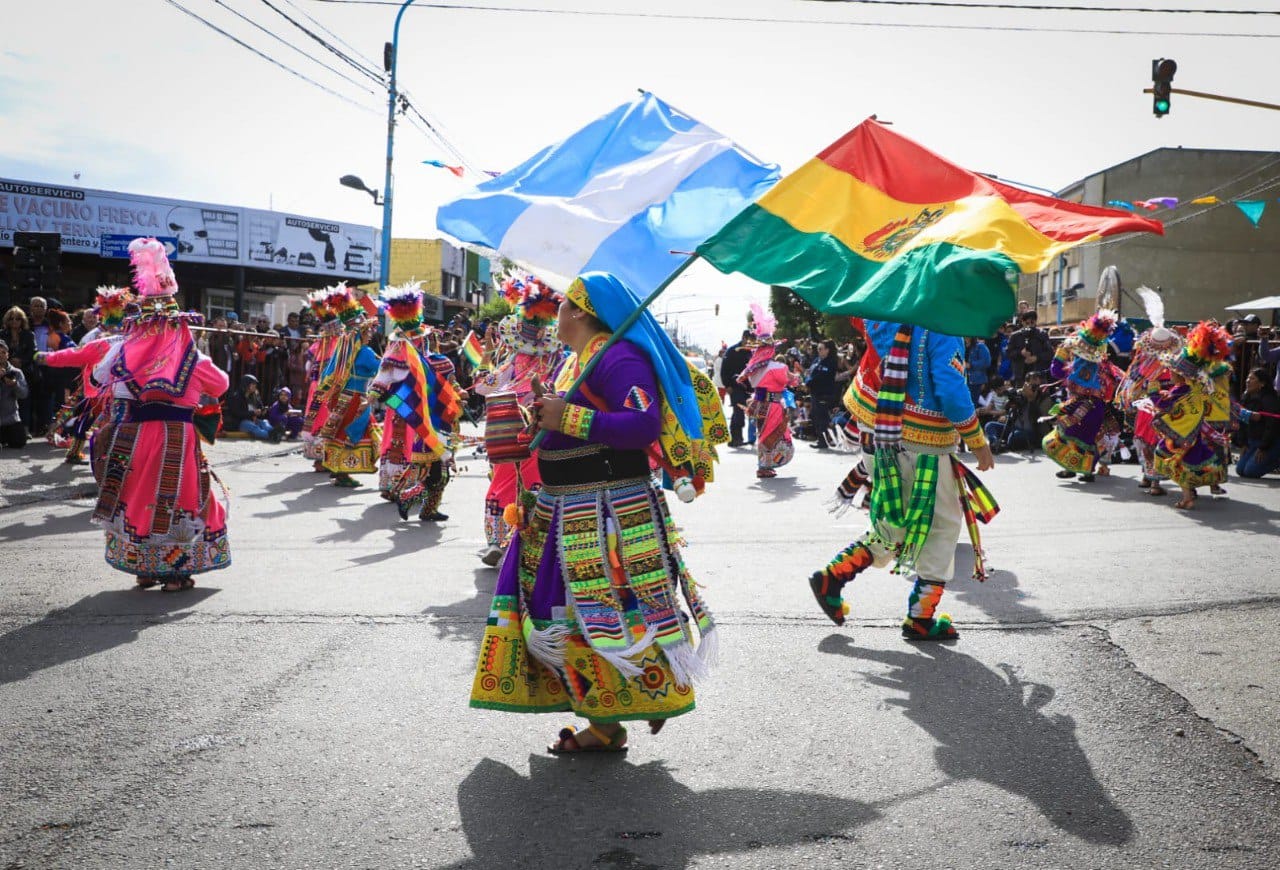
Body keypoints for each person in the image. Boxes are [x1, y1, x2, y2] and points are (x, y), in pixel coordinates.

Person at [469, 271, 725, 754]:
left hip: (605, 513)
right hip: (564, 508)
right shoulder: (578, 361)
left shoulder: (618, 357)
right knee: (562, 611)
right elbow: (574, 418)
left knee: (603, 612)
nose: (556, 313)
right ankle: (612, 715)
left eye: (564, 304)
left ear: (582, 312)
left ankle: (629, 706)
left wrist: (564, 416)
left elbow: (641, 423)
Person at [810, 318, 997, 641]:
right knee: (942, 524)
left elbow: (861, 318)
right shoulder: (943, 323)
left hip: (877, 426)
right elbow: (950, 388)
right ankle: (921, 617)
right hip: (919, 441)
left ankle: (833, 577)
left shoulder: (889, 305)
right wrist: (977, 441)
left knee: (892, 520)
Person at [83, 237, 230, 591]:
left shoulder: (122, 351)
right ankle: (175, 573)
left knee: (136, 497)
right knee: (181, 497)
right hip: (175, 438)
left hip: (132, 437)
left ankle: (144, 568)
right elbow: (222, 384)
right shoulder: (192, 357)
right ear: (178, 323)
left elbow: (95, 377)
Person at [471, 275, 563, 564]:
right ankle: (532, 539)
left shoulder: (512, 361)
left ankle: (497, 541)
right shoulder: (557, 361)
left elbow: (483, 386)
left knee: (503, 482)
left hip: (509, 427)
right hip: (542, 427)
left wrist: (486, 358)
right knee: (539, 482)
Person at [370, 283, 464, 521]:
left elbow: (450, 384)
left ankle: (428, 507)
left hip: (437, 416)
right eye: (418, 338)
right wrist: (374, 395)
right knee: (429, 464)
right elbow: (385, 375)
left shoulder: (437, 362)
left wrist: (458, 393)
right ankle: (407, 496)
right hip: (410, 411)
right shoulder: (400, 352)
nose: (421, 341)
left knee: (439, 467)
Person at [33, 287, 133, 464]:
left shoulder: (127, 336)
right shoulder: (95, 337)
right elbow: (78, 356)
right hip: (97, 387)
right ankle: (99, 459)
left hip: (115, 388)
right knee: (91, 418)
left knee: (92, 419)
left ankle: (86, 454)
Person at [1150, 321, 1233, 510]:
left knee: (1167, 457)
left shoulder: (1182, 389)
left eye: (1172, 370)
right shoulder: (1193, 389)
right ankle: (1188, 496)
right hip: (1191, 435)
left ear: (1180, 374)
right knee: (1184, 465)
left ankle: (1187, 497)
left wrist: (1153, 391)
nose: (1169, 372)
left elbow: (1164, 405)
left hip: (1179, 436)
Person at [1042, 310, 1123, 483]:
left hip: (1077, 402)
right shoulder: (1102, 355)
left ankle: (1074, 468)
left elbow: (1055, 371)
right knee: (1087, 437)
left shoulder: (1069, 345)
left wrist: (1068, 372)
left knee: (1067, 433)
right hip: (1097, 404)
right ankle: (1083, 470)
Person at [315, 287, 382, 487]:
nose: (370, 333)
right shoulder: (366, 352)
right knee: (354, 432)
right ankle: (344, 472)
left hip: (342, 396)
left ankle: (336, 467)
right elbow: (382, 370)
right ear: (361, 332)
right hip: (357, 399)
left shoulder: (345, 349)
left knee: (340, 430)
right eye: (367, 330)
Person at [738, 306, 797, 478]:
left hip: (758, 404)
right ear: (771, 349)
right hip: (773, 405)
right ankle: (764, 466)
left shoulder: (753, 369)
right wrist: (796, 378)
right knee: (771, 433)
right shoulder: (777, 367)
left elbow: (750, 382)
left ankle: (763, 464)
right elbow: (790, 380)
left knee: (762, 434)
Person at [300, 288, 345, 468]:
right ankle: (325, 460)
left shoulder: (318, 345)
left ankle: (318, 459)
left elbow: (308, 367)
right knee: (328, 420)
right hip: (330, 390)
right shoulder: (339, 345)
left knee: (316, 419)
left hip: (316, 389)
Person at [1235, 368, 1280, 478]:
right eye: (1248, 378)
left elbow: (1272, 425)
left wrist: (1264, 447)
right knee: (1240, 470)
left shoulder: (1269, 399)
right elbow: (1242, 422)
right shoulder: (1246, 397)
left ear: (1262, 383)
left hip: (1270, 442)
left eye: (1252, 378)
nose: (1247, 381)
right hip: (1253, 441)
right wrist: (1243, 443)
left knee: (1250, 471)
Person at [719, 329, 754, 446]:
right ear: (744, 337)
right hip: (735, 386)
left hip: (750, 388)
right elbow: (724, 369)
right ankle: (735, 438)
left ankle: (746, 437)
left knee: (750, 413)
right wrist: (727, 385)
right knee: (738, 412)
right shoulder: (732, 351)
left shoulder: (752, 352)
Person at [806, 339, 840, 449]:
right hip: (815, 392)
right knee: (815, 416)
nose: (819, 351)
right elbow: (811, 373)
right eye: (818, 349)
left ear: (827, 350)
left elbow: (821, 377)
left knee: (822, 417)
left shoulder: (830, 362)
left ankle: (823, 441)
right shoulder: (817, 360)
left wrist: (809, 383)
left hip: (824, 393)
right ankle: (820, 439)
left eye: (821, 349)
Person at [1005, 310, 1052, 386]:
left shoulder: (1042, 334)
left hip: (1039, 375)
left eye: (1032, 323)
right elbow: (1008, 353)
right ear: (1022, 322)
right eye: (1027, 323)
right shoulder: (1015, 336)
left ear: (1035, 322)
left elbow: (1049, 353)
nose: (1029, 325)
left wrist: (1036, 358)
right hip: (1021, 375)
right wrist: (1020, 353)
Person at [0, 339, 30, 448]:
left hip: (10, 419)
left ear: (8, 355)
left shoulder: (16, 372)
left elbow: (24, 394)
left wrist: (14, 385)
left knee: (19, 442)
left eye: (3, 352)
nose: (1, 356)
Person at [224, 375, 273, 440]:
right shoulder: (236, 396)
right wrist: (253, 413)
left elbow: (260, 408)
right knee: (253, 427)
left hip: (253, 420)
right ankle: (271, 435)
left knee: (264, 422)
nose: (255, 386)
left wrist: (263, 411)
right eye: (252, 384)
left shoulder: (255, 396)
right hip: (240, 422)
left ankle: (274, 432)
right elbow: (237, 413)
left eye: (255, 384)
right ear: (246, 384)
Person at [965, 336, 991, 405]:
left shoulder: (980, 346)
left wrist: (971, 365)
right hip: (963, 379)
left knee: (973, 403)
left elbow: (986, 362)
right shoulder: (961, 346)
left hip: (976, 380)